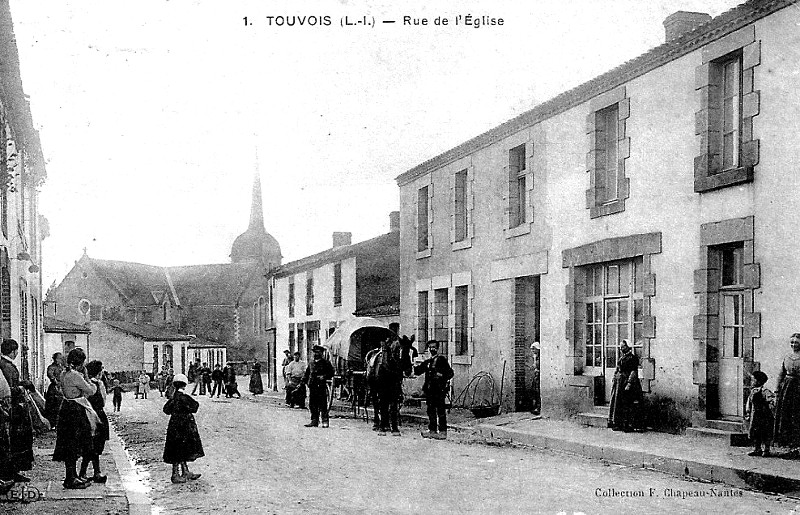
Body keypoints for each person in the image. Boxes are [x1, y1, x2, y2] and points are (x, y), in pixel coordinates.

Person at [53, 348, 100, 489]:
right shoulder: (75, 375)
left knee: (69, 443)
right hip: (75, 410)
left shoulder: (63, 373)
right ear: (81, 362)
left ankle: (72, 475)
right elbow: (91, 390)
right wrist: (86, 377)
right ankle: (71, 478)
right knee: (75, 443)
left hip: (66, 408)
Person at [0, 338, 34, 482]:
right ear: (13, 352)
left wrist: (21, 383)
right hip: (12, 408)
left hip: (13, 407)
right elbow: (8, 389)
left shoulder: (5, 364)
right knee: (15, 440)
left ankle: (13, 471)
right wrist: (21, 387)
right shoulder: (6, 366)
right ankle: (11, 472)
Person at [163, 373, 204, 483]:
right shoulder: (184, 397)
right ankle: (175, 475)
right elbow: (195, 407)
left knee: (177, 447)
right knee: (181, 448)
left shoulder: (173, 398)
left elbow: (166, 410)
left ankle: (185, 471)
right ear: (184, 385)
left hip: (174, 425)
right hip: (185, 425)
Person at [415, 340, 454, 440]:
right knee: (430, 411)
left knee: (440, 411)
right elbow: (418, 371)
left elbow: (450, 373)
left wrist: (442, 375)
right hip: (430, 391)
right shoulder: (428, 362)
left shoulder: (441, 360)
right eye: (430, 347)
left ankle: (442, 432)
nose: (432, 349)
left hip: (439, 390)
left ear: (437, 348)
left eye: (434, 347)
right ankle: (432, 430)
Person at [79, 360, 109, 483]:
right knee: (95, 446)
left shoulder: (85, 383)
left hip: (87, 414)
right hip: (97, 415)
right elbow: (103, 401)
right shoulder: (99, 384)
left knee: (90, 446)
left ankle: (89, 472)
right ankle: (90, 472)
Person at [608, 339, 643, 432]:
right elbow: (618, 368)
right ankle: (617, 423)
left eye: (623, 346)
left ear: (628, 347)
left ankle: (628, 425)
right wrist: (615, 376)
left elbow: (633, 371)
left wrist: (629, 383)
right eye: (620, 346)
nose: (621, 348)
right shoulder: (621, 358)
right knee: (617, 403)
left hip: (628, 383)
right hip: (619, 383)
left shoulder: (633, 358)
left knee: (627, 404)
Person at [774, 333, 800, 456]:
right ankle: (788, 445)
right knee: (786, 415)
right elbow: (781, 374)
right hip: (787, 389)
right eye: (792, 342)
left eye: (796, 342)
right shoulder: (787, 357)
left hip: (798, 389)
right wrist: (777, 391)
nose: (794, 345)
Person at [302, 345, 334, 428]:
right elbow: (307, 373)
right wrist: (303, 381)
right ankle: (314, 421)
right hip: (312, 386)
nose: (316, 354)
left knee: (323, 404)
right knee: (312, 404)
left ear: (321, 353)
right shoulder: (311, 363)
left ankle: (325, 421)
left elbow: (331, 373)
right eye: (315, 352)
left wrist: (324, 376)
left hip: (321, 386)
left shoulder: (326, 363)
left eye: (318, 352)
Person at [746, 370, 774, 457]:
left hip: (764, 416)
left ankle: (766, 450)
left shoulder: (765, 391)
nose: (752, 382)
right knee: (755, 432)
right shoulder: (753, 391)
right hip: (755, 416)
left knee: (765, 432)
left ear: (759, 381)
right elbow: (749, 402)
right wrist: (748, 412)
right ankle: (757, 449)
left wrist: (771, 407)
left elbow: (771, 401)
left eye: (753, 380)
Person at [44, 352, 65, 428]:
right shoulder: (51, 367)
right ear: (55, 359)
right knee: (52, 406)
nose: (60, 360)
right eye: (58, 358)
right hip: (53, 389)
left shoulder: (62, 368)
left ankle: (58, 423)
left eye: (61, 359)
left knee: (60, 406)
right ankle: (51, 423)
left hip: (61, 389)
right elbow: (50, 375)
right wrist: (56, 382)